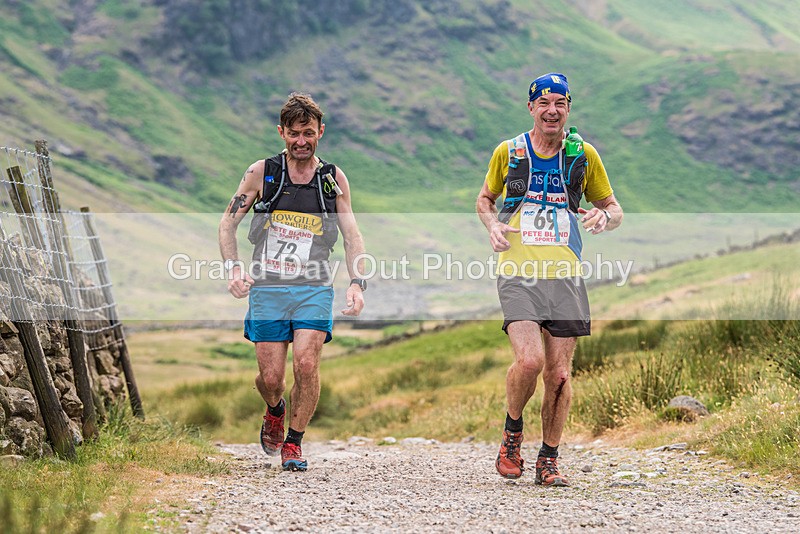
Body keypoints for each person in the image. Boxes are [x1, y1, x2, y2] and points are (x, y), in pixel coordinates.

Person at [476, 73, 622, 486]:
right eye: (544, 103)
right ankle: (512, 433)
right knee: (529, 360)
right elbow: (485, 199)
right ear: (531, 108)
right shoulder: (510, 152)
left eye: (560, 103)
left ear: (568, 109)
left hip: (566, 276)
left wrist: (603, 217)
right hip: (518, 273)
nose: (552, 110)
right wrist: (492, 226)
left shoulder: (583, 156)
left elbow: (614, 208)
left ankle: (549, 459)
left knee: (558, 375)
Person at [219, 92, 367, 472]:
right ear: (281, 132)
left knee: (305, 363)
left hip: (314, 286)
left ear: (321, 132)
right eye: (294, 134)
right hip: (267, 287)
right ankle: (275, 409)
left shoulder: (332, 178)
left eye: (309, 133)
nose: (301, 141)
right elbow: (228, 223)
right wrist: (234, 269)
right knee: (271, 378)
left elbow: (351, 234)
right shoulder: (262, 173)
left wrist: (356, 282)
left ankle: (294, 441)